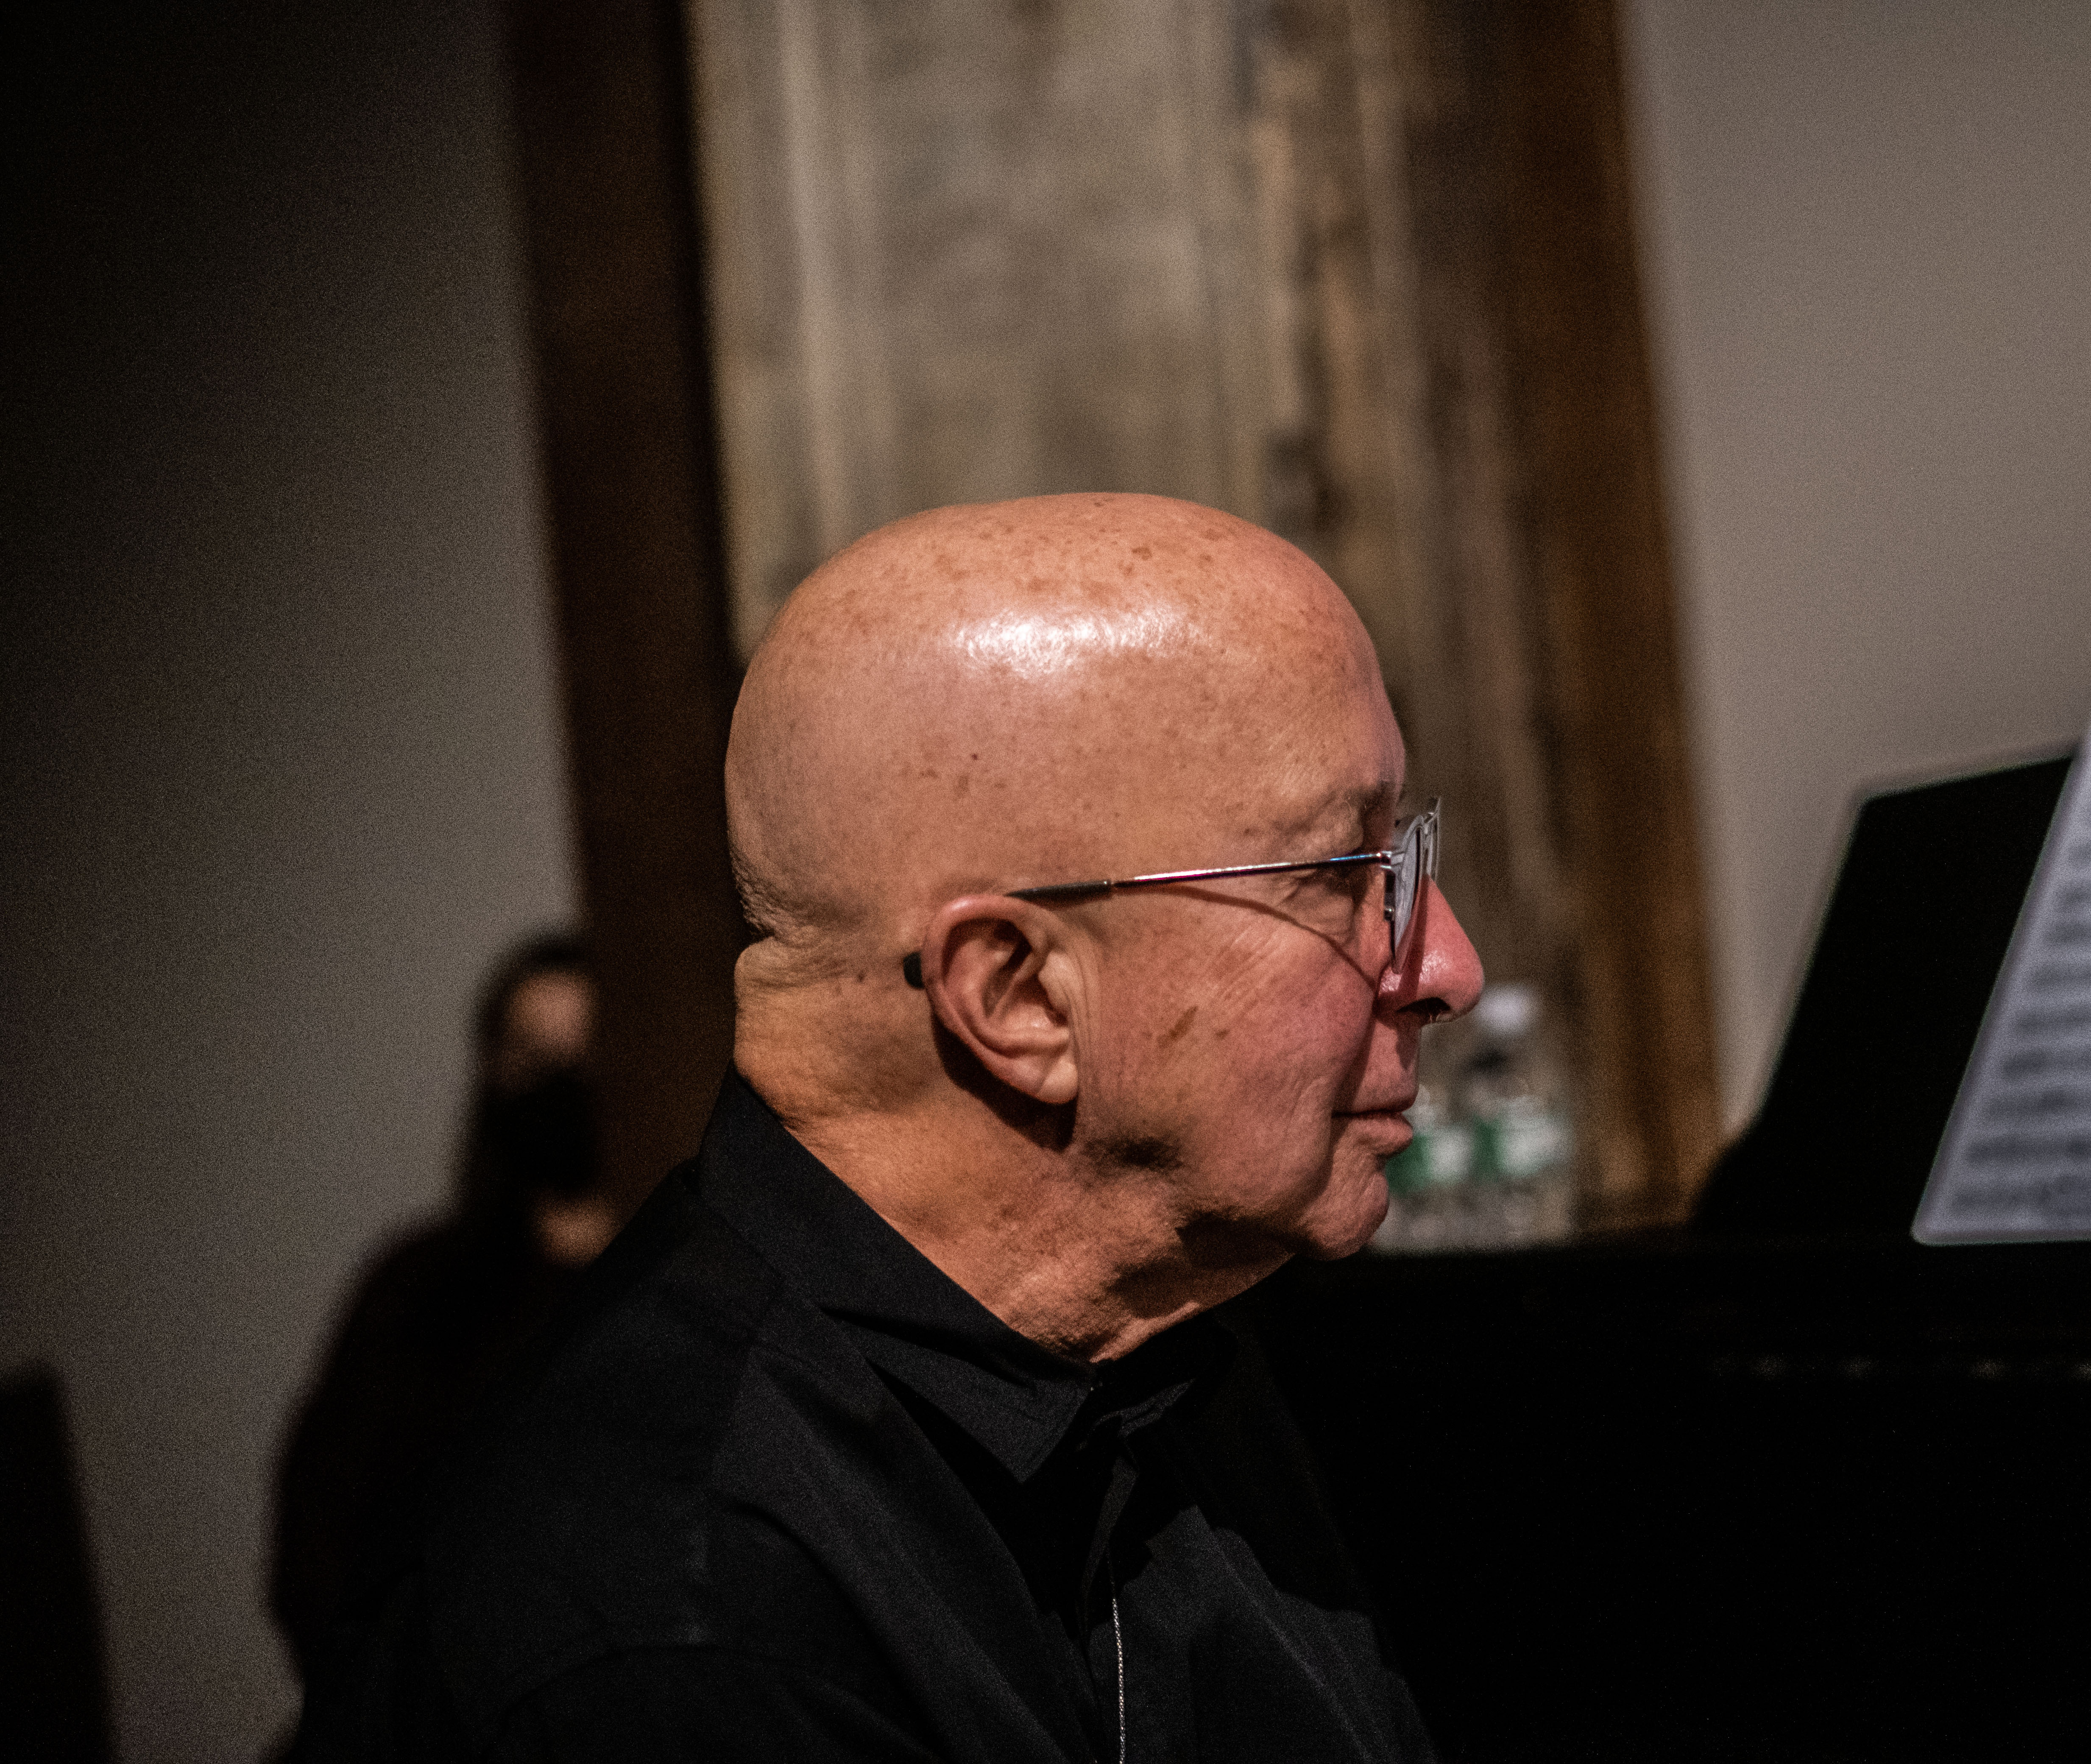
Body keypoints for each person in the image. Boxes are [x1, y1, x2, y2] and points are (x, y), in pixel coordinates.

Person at [303, 493, 1483, 1762]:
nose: (1447, 967)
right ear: (1019, 998)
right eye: (1342, 881)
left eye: (1400, 859)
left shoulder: (1175, 1356)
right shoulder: (686, 1630)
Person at [272, 935, 622, 1712]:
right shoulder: (418, 1292)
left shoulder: (688, 1280)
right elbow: (319, 1537)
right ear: (492, 1076)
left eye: (585, 1050)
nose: (561, 1080)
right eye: (532, 1055)